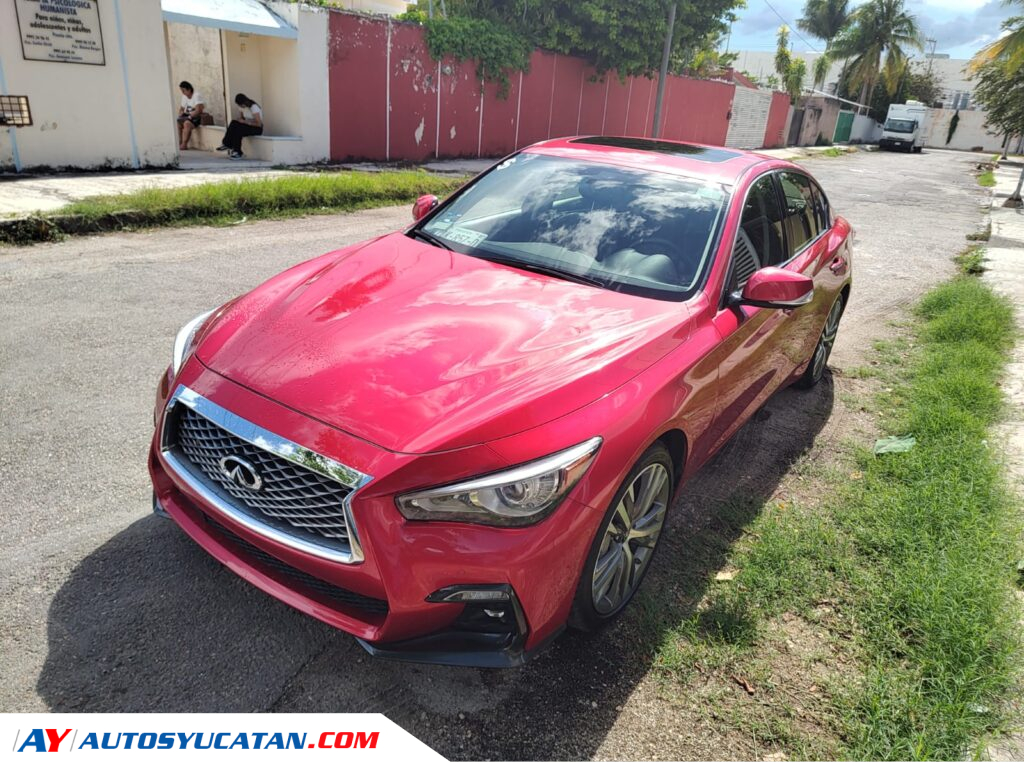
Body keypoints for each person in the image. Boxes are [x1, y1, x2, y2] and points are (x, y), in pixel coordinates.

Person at [219, 93, 263, 159]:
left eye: (241, 104)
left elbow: (259, 124)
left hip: (257, 128)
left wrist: (245, 122)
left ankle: (238, 152)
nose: (240, 106)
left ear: (245, 101)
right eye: (239, 105)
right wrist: (240, 120)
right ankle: (226, 144)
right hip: (247, 125)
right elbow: (242, 118)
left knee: (239, 129)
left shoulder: (253, 107)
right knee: (234, 123)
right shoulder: (241, 107)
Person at [176, 81, 206, 151]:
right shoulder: (184, 96)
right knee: (178, 122)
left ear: (189, 89)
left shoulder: (196, 95)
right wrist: (181, 113)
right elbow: (182, 108)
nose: (182, 93)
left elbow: (199, 110)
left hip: (197, 116)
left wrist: (189, 116)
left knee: (187, 123)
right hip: (188, 115)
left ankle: (184, 144)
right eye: (181, 91)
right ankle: (179, 142)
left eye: (184, 90)